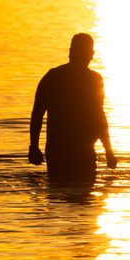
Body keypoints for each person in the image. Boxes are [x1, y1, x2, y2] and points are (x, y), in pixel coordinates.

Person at [29, 33, 116, 182]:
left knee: (59, 194)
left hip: (72, 150)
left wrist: (108, 151)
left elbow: (99, 116)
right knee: (82, 194)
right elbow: (99, 117)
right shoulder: (55, 78)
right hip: (68, 150)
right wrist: (108, 151)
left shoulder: (53, 77)